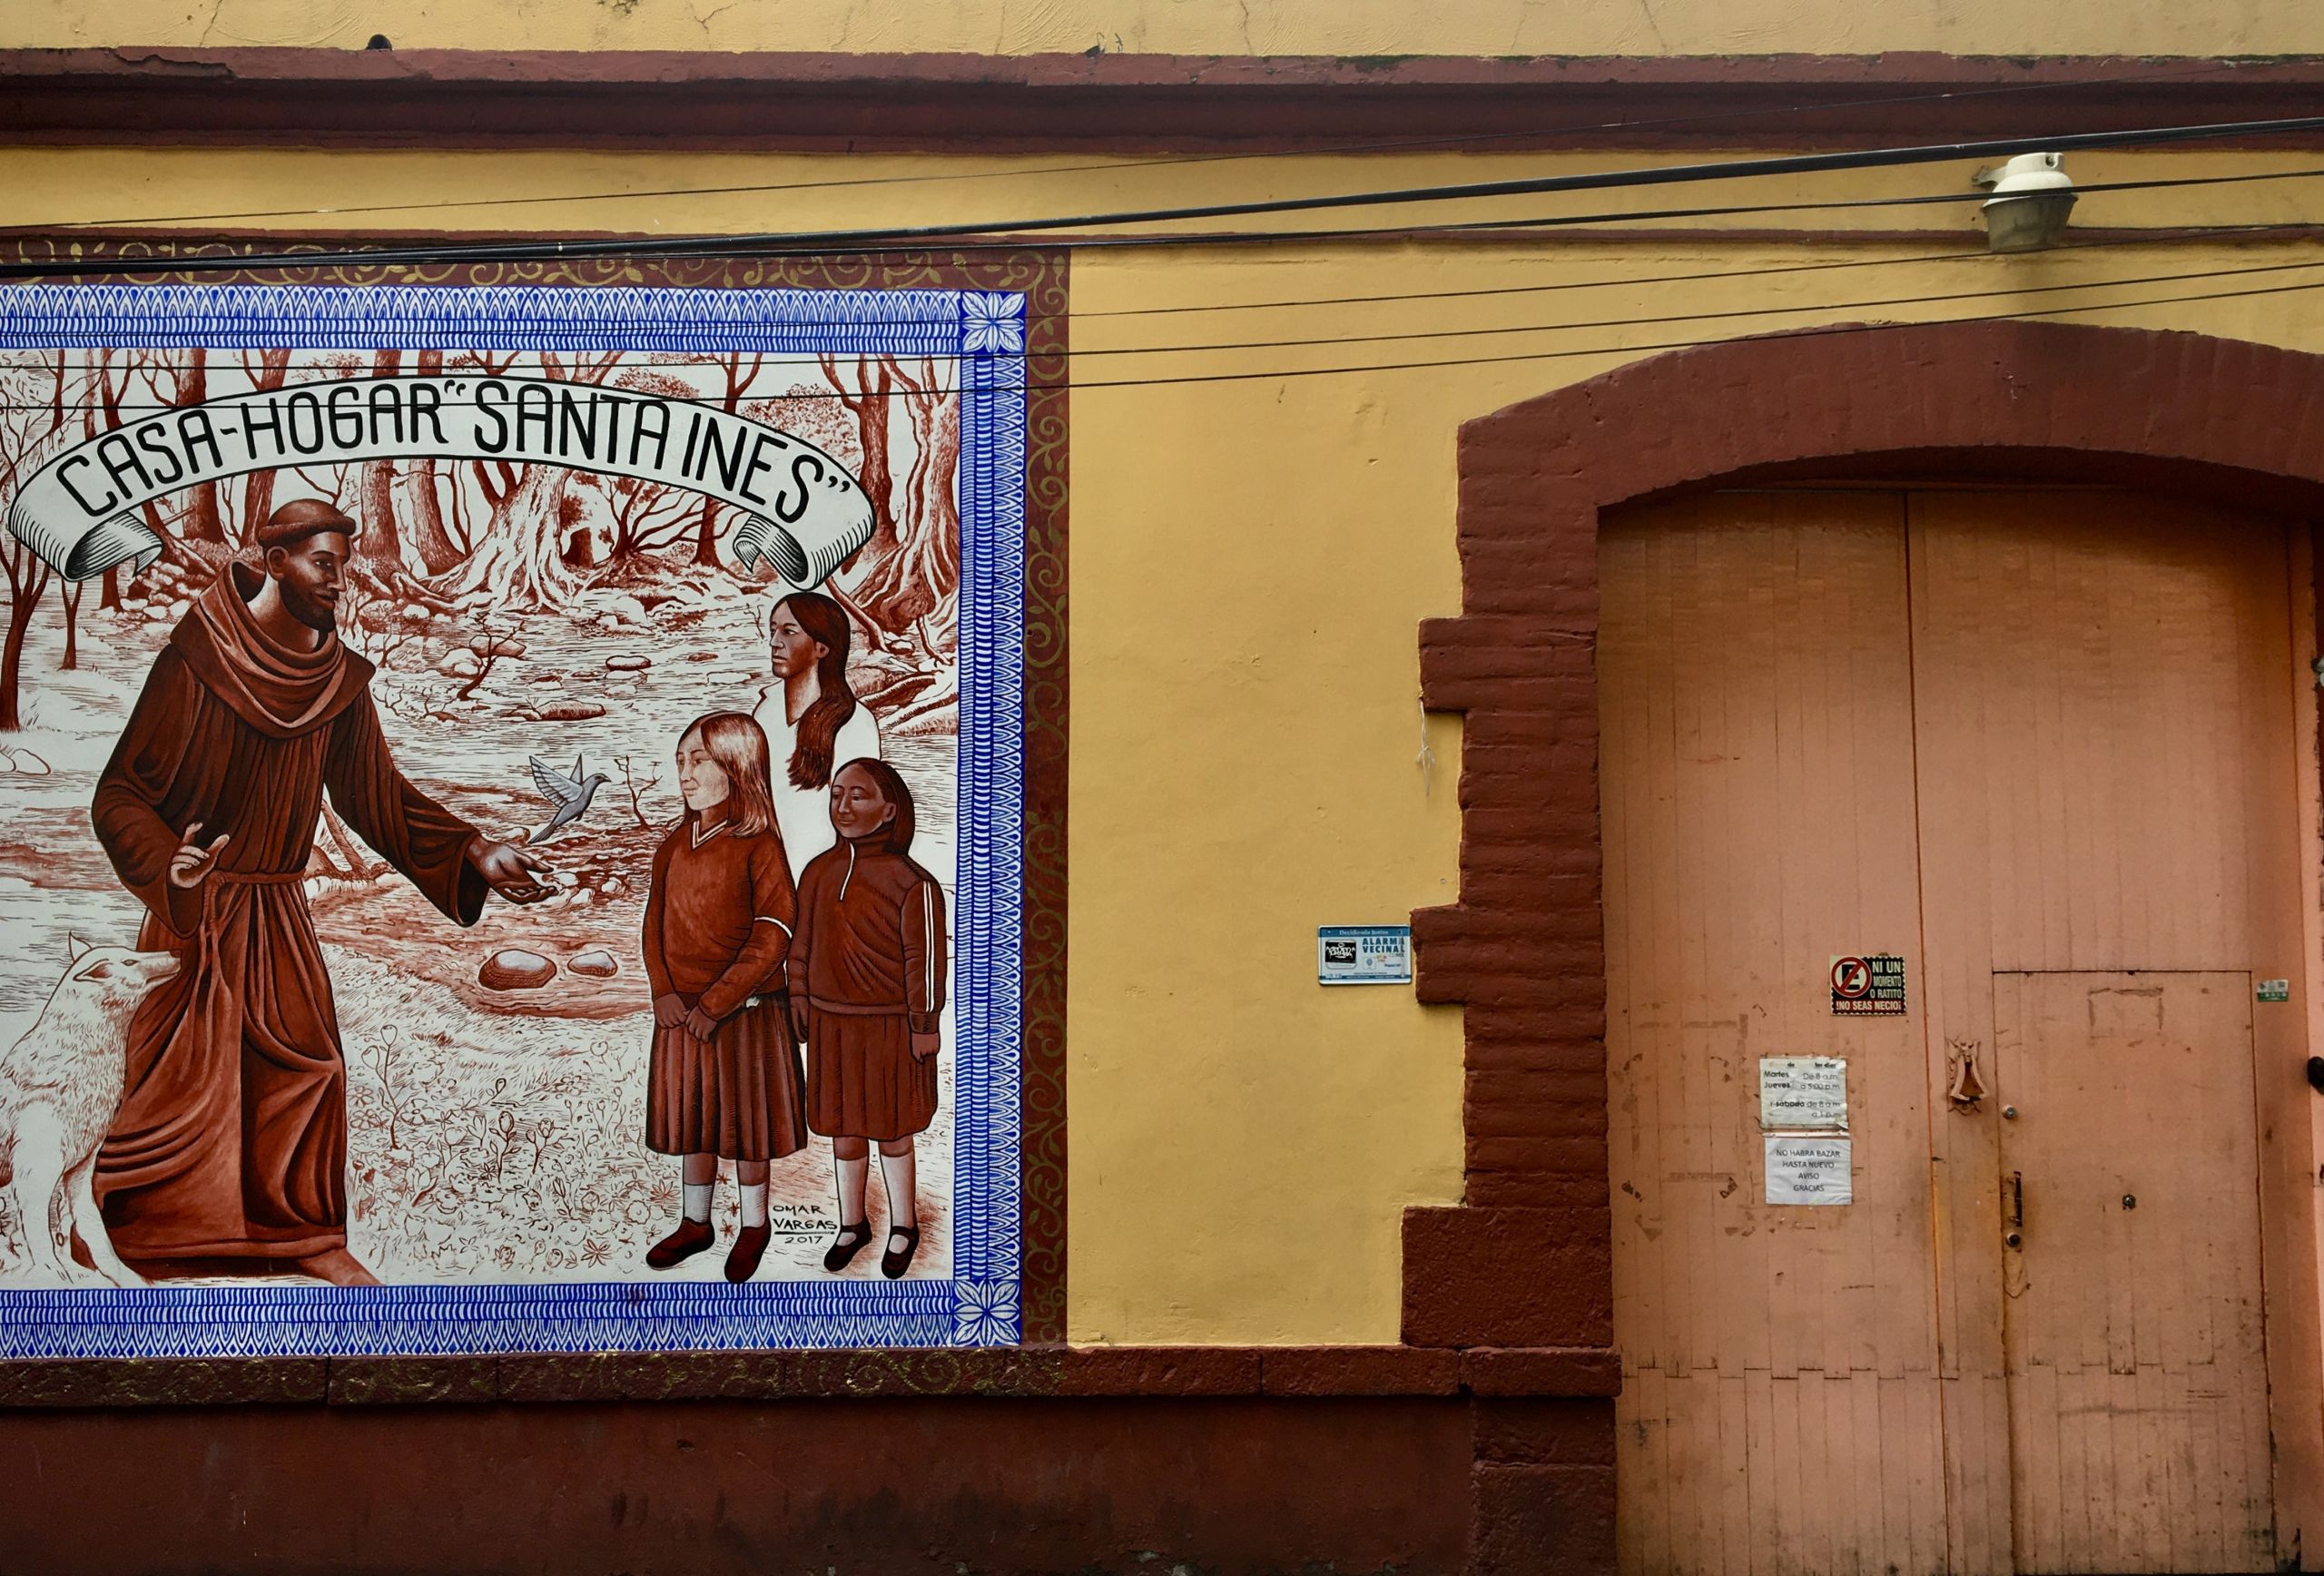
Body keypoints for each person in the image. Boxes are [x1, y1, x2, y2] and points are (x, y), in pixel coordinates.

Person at [89, 498, 553, 1286]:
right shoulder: (195, 661)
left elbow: (377, 797)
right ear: (276, 563)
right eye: (324, 564)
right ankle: (154, 1240)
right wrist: (168, 863)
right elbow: (119, 795)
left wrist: (473, 850)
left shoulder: (337, 680)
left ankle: (301, 1238)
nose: (341, 581)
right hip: (196, 911)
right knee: (184, 1081)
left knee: (309, 1068)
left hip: (277, 912)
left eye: (344, 565)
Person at [639, 711, 805, 1284]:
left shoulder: (759, 846)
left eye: (699, 761)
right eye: (680, 761)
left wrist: (718, 1003)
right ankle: (696, 1222)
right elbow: (653, 923)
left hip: (746, 1013)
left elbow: (774, 933)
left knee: (746, 1125)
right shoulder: (672, 846)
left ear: (737, 767)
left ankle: (754, 1225)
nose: (685, 773)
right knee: (695, 1120)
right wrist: (663, 991)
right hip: (682, 1012)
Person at [786, 757, 947, 1279]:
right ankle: (852, 1224)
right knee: (844, 1128)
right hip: (832, 1023)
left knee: (893, 1128)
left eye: (858, 795)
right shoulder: (818, 872)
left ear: (889, 809)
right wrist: (798, 998)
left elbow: (925, 961)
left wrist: (924, 1025)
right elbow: (800, 945)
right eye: (837, 795)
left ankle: (903, 1226)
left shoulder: (913, 882)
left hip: (890, 1026)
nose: (844, 806)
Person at [752, 590, 880, 880]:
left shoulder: (854, 722)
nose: (774, 642)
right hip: (767, 870)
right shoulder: (765, 711)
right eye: (773, 630)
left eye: (788, 632)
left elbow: (861, 817)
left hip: (825, 876)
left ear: (821, 648)